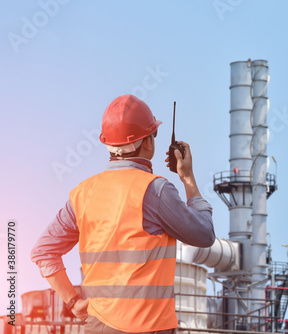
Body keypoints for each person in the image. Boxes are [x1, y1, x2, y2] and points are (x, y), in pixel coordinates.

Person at [31, 95, 215, 334]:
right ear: (147, 142)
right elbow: (205, 234)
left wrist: (73, 301)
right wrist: (188, 179)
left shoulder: (82, 193)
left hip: (97, 326)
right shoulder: (156, 190)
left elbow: (43, 251)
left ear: (108, 144)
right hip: (148, 328)